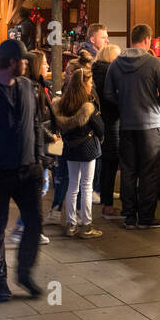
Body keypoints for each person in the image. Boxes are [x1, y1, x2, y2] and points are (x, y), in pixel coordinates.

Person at [0, 37, 45, 303]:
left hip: (28, 170)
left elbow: (36, 124)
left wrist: (39, 159)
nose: (27, 64)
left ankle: (23, 273)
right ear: (12, 62)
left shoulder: (27, 87)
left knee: (35, 222)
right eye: (24, 60)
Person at [103, 23, 160, 230]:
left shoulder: (116, 64)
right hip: (150, 126)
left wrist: (124, 105)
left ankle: (129, 216)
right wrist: (155, 105)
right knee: (149, 172)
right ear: (147, 40)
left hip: (126, 126)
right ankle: (145, 217)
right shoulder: (153, 63)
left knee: (128, 171)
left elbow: (108, 94)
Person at [53, 58, 105, 238]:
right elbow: (100, 128)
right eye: (90, 83)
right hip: (88, 148)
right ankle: (87, 225)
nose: (91, 86)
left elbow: (59, 126)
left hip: (70, 149)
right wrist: (101, 137)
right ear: (83, 85)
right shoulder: (88, 105)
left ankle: (70, 224)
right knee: (87, 186)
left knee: (73, 185)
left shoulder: (63, 104)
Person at [14, 50, 55, 245]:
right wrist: (50, 135)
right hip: (38, 147)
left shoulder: (40, 87)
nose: (48, 67)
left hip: (40, 144)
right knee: (40, 187)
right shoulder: (33, 89)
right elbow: (36, 121)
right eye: (45, 63)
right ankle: (25, 226)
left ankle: (26, 226)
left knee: (41, 188)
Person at [92, 42, 122, 217]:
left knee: (104, 163)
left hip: (99, 123)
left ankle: (105, 198)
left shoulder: (96, 71)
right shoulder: (110, 74)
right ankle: (107, 205)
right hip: (110, 123)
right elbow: (112, 100)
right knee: (111, 162)